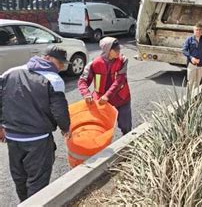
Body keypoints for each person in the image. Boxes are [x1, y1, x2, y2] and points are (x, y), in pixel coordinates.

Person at [0, 45, 70, 202]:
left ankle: (24, 202)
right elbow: (59, 110)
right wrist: (66, 128)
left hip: (13, 138)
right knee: (37, 181)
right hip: (38, 140)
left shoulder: (11, 72)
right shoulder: (54, 79)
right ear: (47, 58)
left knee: (20, 177)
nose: (61, 67)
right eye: (59, 63)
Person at [78, 37, 132, 135]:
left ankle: (128, 143)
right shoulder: (94, 64)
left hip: (121, 98)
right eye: (116, 50)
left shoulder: (123, 60)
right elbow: (82, 81)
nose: (118, 52)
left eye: (119, 49)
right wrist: (86, 94)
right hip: (101, 100)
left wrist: (107, 96)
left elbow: (120, 80)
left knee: (126, 126)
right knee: (100, 127)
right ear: (108, 50)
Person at [182, 23, 202, 90]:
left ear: (201, 31)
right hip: (192, 64)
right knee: (190, 82)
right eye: (196, 30)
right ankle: (188, 99)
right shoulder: (189, 39)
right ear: (193, 30)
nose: (198, 31)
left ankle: (195, 99)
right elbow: (184, 50)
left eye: (199, 30)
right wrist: (191, 58)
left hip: (201, 64)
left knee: (197, 83)